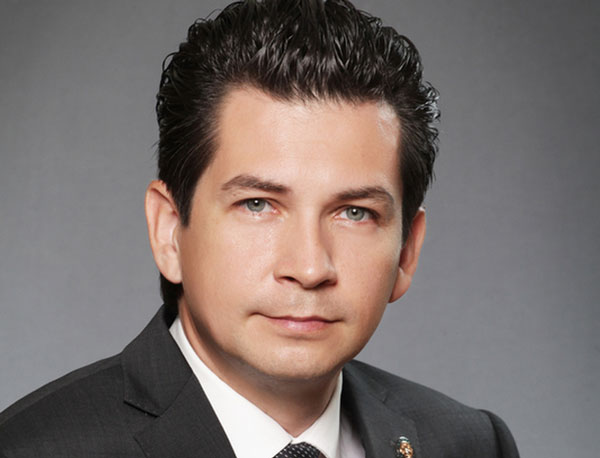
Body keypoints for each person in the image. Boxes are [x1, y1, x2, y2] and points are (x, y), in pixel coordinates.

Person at [0, 0, 520, 457]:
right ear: (169, 230)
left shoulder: (470, 445)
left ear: (407, 251)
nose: (309, 268)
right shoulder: (33, 449)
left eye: (355, 212)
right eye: (257, 204)